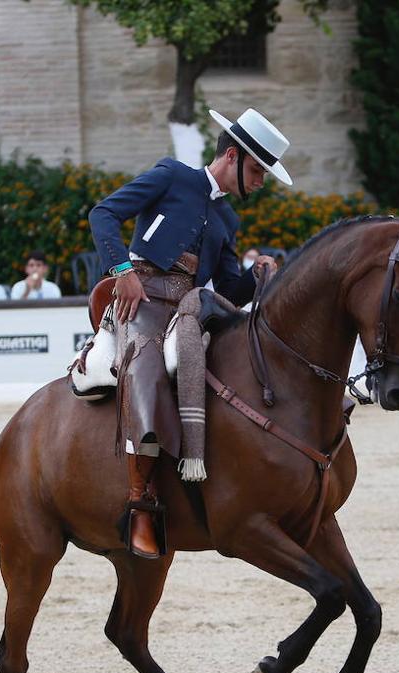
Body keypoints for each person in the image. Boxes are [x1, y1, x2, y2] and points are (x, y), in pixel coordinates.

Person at [87, 106, 290, 558]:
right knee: (147, 370)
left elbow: (230, 287)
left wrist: (259, 274)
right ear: (233, 157)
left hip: (188, 306)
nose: (260, 183)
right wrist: (122, 270)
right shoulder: (171, 176)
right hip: (138, 297)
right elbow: (102, 214)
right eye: (258, 171)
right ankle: (141, 504)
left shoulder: (228, 220)